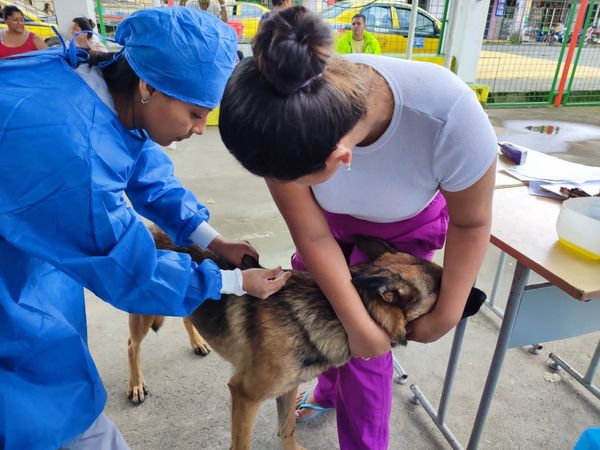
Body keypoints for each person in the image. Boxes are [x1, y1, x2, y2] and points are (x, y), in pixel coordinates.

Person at [0, 7, 289, 450]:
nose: (200, 129)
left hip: (25, 245)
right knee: (48, 411)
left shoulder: (101, 90)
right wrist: (230, 282)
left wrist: (213, 240)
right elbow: (129, 267)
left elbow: (148, 175)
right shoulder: (77, 156)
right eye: (195, 113)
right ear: (149, 86)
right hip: (13, 278)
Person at [219, 6, 496, 449]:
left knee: (369, 360)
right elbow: (312, 235)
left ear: (342, 159)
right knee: (328, 323)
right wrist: (354, 324)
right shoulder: (282, 111)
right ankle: (328, 390)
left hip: (402, 232)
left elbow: (472, 221)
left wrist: (446, 313)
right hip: (326, 228)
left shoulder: (450, 116)